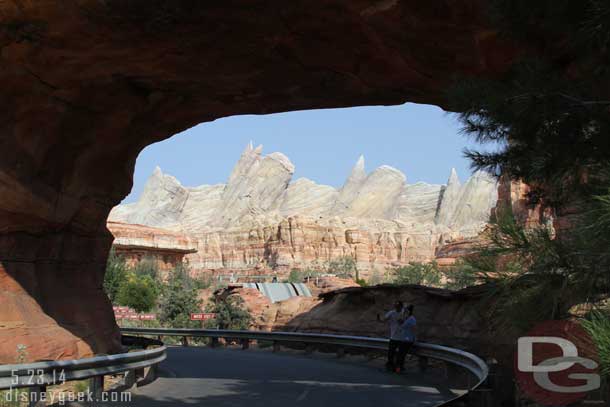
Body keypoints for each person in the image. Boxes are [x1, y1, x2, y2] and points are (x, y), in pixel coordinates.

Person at [377, 301, 406, 371]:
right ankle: (390, 365)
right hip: (393, 337)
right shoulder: (391, 313)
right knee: (391, 353)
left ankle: (399, 367)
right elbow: (383, 320)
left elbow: (402, 321)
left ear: (401, 306)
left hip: (402, 337)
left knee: (400, 354)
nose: (396, 307)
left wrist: (402, 315)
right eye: (395, 306)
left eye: (398, 306)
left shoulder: (404, 313)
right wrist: (379, 319)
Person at [394, 304, 417, 373]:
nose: (404, 311)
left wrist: (415, 338)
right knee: (401, 354)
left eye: (406, 310)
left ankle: (398, 369)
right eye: (404, 310)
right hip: (403, 339)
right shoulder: (406, 318)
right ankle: (400, 368)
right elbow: (401, 325)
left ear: (409, 311)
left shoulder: (412, 319)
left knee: (400, 354)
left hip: (408, 340)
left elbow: (414, 329)